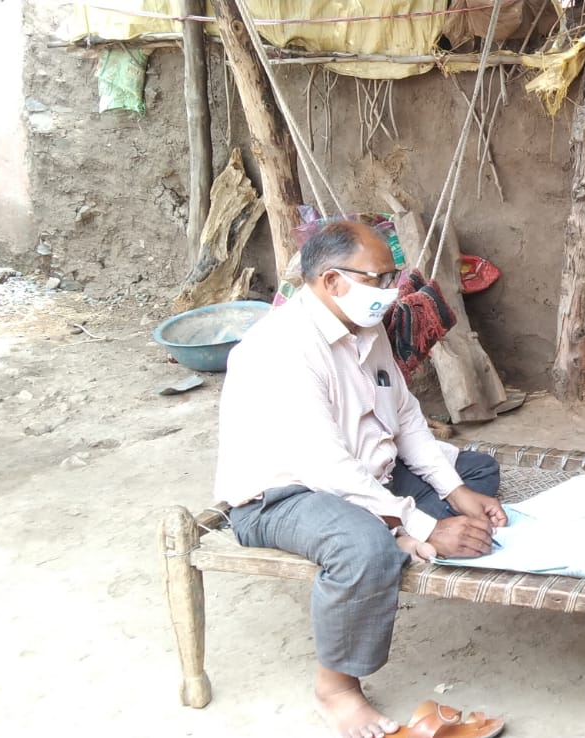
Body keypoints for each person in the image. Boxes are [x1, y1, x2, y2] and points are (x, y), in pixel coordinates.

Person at [214, 221, 509, 738]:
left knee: (476, 471)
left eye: (393, 277)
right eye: (380, 278)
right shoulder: (280, 349)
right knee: (363, 547)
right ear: (331, 281)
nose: (392, 291)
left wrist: (456, 492)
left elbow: (407, 417)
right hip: (285, 496)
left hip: (366, 476)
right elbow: (324, 466)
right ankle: (337, 691)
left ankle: (394, 528)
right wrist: (423, 524)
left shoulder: (365, 331)